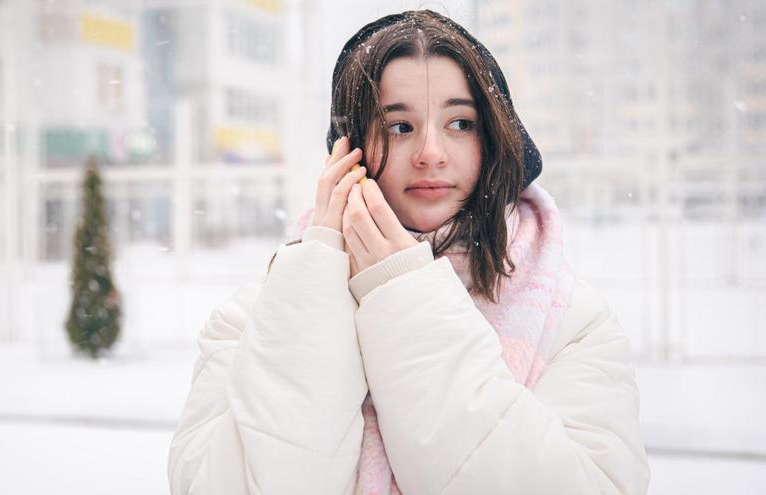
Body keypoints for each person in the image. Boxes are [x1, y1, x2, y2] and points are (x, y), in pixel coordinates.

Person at [168, 9, 650, 495]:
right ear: (347, 152)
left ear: (494, 140)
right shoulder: (256, 316)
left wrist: (403, 293)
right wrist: (316, 272)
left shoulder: (570, 321)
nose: (431, 152)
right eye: (399, 127)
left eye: (460, 122)